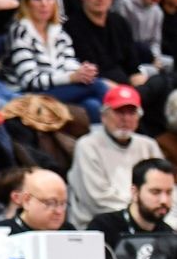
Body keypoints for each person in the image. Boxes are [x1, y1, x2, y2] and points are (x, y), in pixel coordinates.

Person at [6, 0, 111, 124]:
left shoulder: (58, 31)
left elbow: (68, 62)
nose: (44, 3)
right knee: (98, 85)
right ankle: (119, 125)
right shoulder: (20, 32)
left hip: (56, 89)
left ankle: (104, 136)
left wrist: (82, 72)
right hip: (27, 95)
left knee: (92, 105)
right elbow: (30, 81)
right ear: (27, 4)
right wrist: (70, 78)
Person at [68, 85, 164, 227]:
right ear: (103, 116)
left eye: (131, 113)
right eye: (119, 112)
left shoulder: (149, 145)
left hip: (145, 220)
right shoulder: (87, 146)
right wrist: (139, 213)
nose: (126, 118)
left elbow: (165, 186)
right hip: (99, 224)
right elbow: (97, 200)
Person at [64, 0, 146, 87]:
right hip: (98, 87)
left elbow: (133, 67)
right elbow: (92, 73)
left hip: (128, 87)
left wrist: (138, 85)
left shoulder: (120, 21)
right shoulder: (71, 28)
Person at [88, 157, 175, 250]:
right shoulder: (104, 227)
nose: (164, 200)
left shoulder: (169, 234)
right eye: (155, 192)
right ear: (135, 192)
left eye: (169, 192)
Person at [0, 167, 75, 233]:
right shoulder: (0, 233)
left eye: (63, 204)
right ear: (27, 201)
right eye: (50, 203)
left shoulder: (69, 232)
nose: (59, 211)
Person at [113, 0, 167, 66]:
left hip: (147, 54)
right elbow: (120, 38)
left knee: (169, 63)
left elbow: (155, 42)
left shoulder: (158, 12)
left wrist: (155, 58)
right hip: (125, 54)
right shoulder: (125, 4)